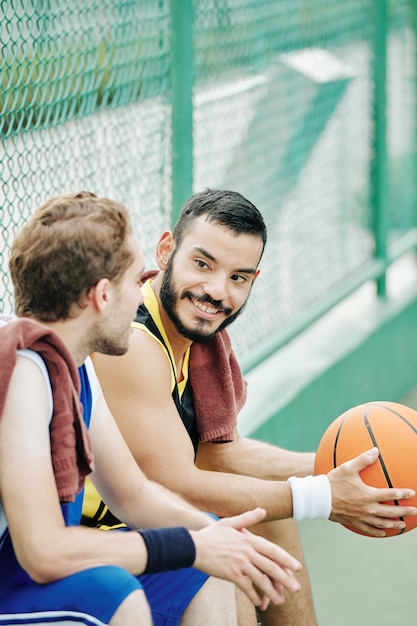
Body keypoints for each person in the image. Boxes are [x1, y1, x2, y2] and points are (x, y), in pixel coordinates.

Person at [84, 188, 417, 625]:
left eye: (238, 277)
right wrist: (322, 496)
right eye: (202, 264)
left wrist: (345, 469)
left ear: (253, 280)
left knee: (267, 521)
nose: (216, 291)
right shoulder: (133, 343)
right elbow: (177, 481)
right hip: (91, 539)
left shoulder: (196, 336)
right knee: (226, 551)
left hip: (137, 524)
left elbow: (219, 455)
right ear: (167, 250)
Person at [0, 191, 307, 626]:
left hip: (35, 567)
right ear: (103, 296)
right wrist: (192, 545)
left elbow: (133, 494)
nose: (142, 290)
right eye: (132, 281)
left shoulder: (77, 367)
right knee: (120, 594)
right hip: (17, 580)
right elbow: (43, 551)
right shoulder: (25, 374)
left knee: (214, 558)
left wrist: (214, 537)